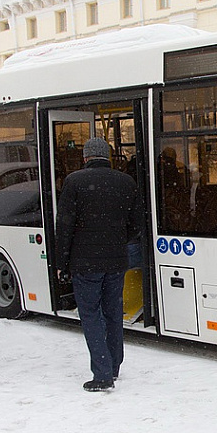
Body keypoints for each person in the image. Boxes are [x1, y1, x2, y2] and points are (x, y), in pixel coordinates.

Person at [56, 137, 141, 392]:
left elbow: (65, 226)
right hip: (116, 260)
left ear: (85, 158)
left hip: (85, 264)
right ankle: (114, 365)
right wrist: (116, 241)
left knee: (91, 314)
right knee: (113, 312)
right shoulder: (126, 182)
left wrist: (61, 261)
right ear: (109, 156)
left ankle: (102, 373)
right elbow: (136, 224)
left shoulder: (74, 182)